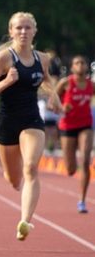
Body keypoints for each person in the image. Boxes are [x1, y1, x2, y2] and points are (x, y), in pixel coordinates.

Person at [0, 11, 61, 241]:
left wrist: (53, 95)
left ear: (35, 31)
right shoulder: (4, 58)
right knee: (14, 179)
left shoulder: (42, 58)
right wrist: (6, 81)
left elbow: (44, 79)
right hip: (7, 122)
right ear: (11, 31)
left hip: (31, 119)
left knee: (31, 168)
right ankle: (14, 179)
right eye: (19, 28)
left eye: (27, 28)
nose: (23, 32)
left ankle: (25, 221)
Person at [55, 55, 93, 214]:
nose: (80, 65)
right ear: (72, 67)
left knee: (85, 160)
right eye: (76, 63)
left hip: (85, 125)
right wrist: (63, 108)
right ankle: (72, 167)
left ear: (86, 66)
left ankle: (82, 201)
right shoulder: (65, 83)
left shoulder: (92, 85)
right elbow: (53, 102)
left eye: (82, 63)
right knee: (70, 169)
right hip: (67, 126)